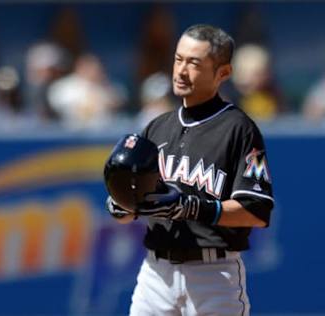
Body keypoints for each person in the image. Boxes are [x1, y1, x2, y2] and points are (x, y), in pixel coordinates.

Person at [106, 24, 274, 315]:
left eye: (194, 63)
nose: (181, 71)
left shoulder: (240, 130)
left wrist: (193, 207)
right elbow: (132, 209)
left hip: (213, 275)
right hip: (156, 274)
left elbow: (257, 211)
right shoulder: (156, 127)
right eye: (178, 59)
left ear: (222, 73)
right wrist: (123, 204)